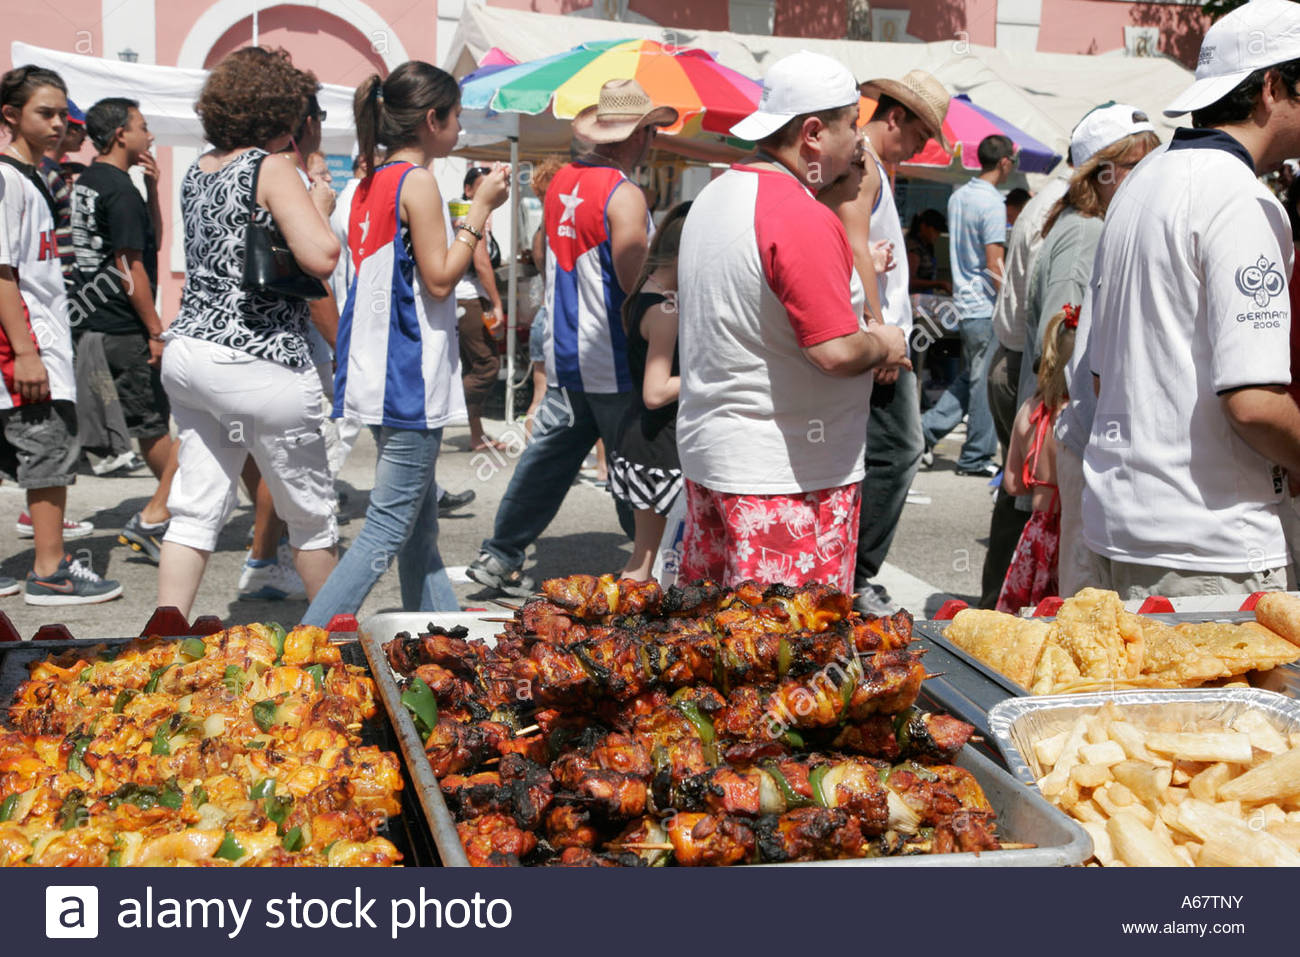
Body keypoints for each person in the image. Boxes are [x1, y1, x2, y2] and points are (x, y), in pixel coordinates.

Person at [1082, 0, 1300, 599]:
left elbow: (1101, 377)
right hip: (1211, 546)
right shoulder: (1242, 199)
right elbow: (1253, 402)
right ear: (1272, 88)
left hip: (1123, 527)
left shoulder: (1143, 178)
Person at [675, 51, 909, 591]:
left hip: (723, 458)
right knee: (787, 651)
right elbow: (833, 351)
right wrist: (886, 343)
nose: (860, 141)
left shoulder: (716, 194)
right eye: (852, 124)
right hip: (785, 477)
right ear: (811, 132)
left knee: (721, 648)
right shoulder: (798, 213)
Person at [300, 61, 510, 627]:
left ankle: (447, 638)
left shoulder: (367, 183)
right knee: (390, 529)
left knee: (418, 528)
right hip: (408, 370)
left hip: (375, 364)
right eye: (457, 116)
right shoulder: (415, 181)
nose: (460, 128)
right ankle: (303, 644)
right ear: (431, 119)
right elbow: (441, 277)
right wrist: (481, 211)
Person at [466, 78, 672, 597]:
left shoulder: (563, 182)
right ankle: (655, 567)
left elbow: (540, 253)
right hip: (615, 360)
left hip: (565, 355)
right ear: (637, 135)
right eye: (650, 131)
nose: (653, 140)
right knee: (636, 467)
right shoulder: (623, 194)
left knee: (545, 466)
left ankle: (500, 554)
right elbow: (634, 284)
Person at [156, 47, 340, 618]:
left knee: (194, 510)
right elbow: (322, 256)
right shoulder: (272, 166)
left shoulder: (200, 167)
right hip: (258, 359)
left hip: (191, 352)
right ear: (282, 109)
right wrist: (320, 204)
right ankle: (338, 640)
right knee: (311, 519)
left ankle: (161, 633)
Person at [828, 68, 951, 614]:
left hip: (879, 331)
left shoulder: (870, 164)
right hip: (876, 333)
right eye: (921, 135)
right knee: (900, 448)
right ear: (895, 118)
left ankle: (849, 571)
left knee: (885, 451)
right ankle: (855, 574)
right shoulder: (865, 164)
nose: (923, 147)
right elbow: (854, 244)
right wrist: (879, 328)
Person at [0, 65, 121, 603]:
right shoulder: (6, 179)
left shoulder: (33, 178)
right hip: (27, 345)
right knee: (47, 452)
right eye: (44, 113)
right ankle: (50, 571)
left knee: (39, 451)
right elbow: (1, 270)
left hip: (42, 338)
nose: (57, 123)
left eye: (61, 113)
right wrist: (26, 352)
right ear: (11, 116)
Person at [1027, 103, 1158, 597]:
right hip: (1077, 428)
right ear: (1104, 174)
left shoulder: (1092, 224)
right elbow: (1057, 334)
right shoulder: (1089, 230)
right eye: (1139, 165)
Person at [236, 94, 340, 602]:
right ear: (307, 124)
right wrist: (343, 345)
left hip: (243, 342)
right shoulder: (284, 178)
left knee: (264, 456)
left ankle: (262, 560)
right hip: (294, 342)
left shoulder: (226, 172)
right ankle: (331, 622)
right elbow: (314, 272)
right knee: (303, 476)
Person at [71, 97, 180, 565]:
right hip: (122, 327)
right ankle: (159, 520)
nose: (150, 135)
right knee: (155, 427)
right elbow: (131, 264)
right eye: (142, 126)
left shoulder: (91, 182)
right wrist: (155, 330)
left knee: (143, 426)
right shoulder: (117, 190)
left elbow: (148, 243)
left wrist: (152, 191)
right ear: (121, 134)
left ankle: (163, 512)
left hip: (94, 325)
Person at [920, 134, 1015, 478]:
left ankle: (922, 433)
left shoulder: (959, 196)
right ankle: (975, 456)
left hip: (964, 302)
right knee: (984, 383)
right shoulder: (992, 203)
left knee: (969, 379)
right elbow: (995, 264)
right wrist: (1013, 301)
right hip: (985, 305)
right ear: (1004, 162)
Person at [609, 201, 689, 581]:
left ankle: (619, 629)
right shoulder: (667, 311)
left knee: (647, 559)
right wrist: (708, 374)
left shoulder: (648, 291)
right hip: (659, 446)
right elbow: (655, 391)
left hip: (641, 440)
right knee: (650, 564)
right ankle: (617, 632)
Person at [996, 305, 1077, 612]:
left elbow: (1013, 484)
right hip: (1071, 530)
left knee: (1025, 616)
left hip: (1037, 533)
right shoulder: (1079, 416)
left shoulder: (1030, 411)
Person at [455, 165, 505, 451]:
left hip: (463, 299)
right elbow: (482, 261)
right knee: (487, 365)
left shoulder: (468, 213)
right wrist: (497, 303)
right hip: (469, 299)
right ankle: (448, 403)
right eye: (483, 185)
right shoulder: (470, 214)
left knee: (472, 366)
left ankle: (477, 435)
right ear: (469, 190)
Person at [522, 155, 565, 437]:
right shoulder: (565, 227)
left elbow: (541, 267)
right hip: (561, 318)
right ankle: (601, 468)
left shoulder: (541, 230)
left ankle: (532, 453)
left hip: (543, 313)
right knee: (585, 398)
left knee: (539, 396)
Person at [905, 209, 949, 295]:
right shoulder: (914, 248)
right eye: (935, 230)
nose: (938, 234)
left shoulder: (927, 246)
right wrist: (939, 284)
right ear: (923, 226)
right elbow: (910, 282)